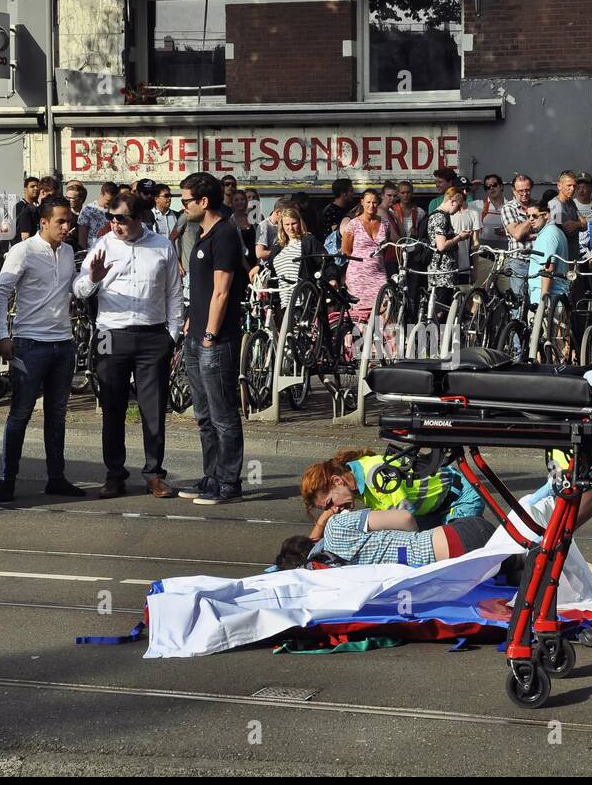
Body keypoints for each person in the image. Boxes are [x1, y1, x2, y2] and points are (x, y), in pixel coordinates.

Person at [74, 193, 184, 500]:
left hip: (152, 335)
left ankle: (154, 474)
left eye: (121, 218)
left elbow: (174, 293)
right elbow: (79, 288)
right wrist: (93, 279)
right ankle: (114, 475)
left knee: (153, 408)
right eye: (111, 218)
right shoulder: (103, 245)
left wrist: (172, 335)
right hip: (111, 333)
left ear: (138, 217)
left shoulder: (162, 245)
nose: (114, 224)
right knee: (113, 407)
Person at [0, 198, 86, 503]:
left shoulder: (69, 251)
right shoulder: (23, 251)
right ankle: (7, 479)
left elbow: (74, 290)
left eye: (69, 221)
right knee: (20, 412)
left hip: (63, 342)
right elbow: (0, 293)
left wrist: (94, 278)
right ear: (43, 221)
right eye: (60, 221)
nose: (67, 227)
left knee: (57, 414)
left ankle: (56, 477)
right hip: (30, 343)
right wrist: (3, 335)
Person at [179, 173, 246, 505]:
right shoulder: (202, 234)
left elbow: (221, 291)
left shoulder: (225, 235)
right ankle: (212, 475)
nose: (183, 207)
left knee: (223, 413)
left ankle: (229, 482)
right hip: (197, 336)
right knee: (203, 414)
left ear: (203, 201)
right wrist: (192, 326)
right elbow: (201, 291)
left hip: (216, 341)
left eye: (186, 201)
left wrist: (209, 335)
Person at [300, 447, 484, 529]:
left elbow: (404, 522)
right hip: (436, 507)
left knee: (454, 559)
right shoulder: (354, 477)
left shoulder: (375, 477)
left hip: (460, 499)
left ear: (337, 481)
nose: (335, 509)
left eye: (331, 503)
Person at [276, 509, 497, 570]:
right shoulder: (337, 527)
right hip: (460, 536)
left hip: (460, 567)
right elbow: (405, 517)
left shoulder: (330, 577)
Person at [342, 188, 392, 324]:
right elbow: (346, 250)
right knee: (359, 316)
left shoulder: (384, 223)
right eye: (368, 202)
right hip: (358, 275)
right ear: (362, 202)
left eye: (375, 202)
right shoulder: (353, 224)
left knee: (384, 312)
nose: (372, 205)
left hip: (379, 274)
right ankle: (358, 343)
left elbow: (385, 247)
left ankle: (379, 343)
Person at [425, 188, 473, 318]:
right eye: (459, 205)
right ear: (452, 201)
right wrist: (459, 237)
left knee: (441, 309)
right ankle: (437, 336)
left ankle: (438, 335)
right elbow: (441, 246)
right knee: (441, 310)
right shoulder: (440, 217)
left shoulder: (438, 216)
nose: (459, 209)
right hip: (442, 274)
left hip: (442, 273)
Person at [267, 204, 321, 308]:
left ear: (300, 223)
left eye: (294, 223)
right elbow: (269, 267)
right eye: (287, 224)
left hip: (303, 300)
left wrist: (332, 278)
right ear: (282, 226)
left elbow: (324, 261)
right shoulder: (278, 247)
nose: (290, 228)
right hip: (283, 301)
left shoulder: (308, 241)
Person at [526, 202, 568, 308]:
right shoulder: (553, 232)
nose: (531, 219)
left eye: (534, 216)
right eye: (528, 216)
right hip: (554, 297)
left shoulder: (548, 235)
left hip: (547, 298)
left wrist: (543, 301)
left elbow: (548, 268)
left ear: (545, 215)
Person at [501, 174, 536, 299]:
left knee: (536, 300)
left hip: (537, 261)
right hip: (518, 260)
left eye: (527, 190)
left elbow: (545, 231)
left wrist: (528, 234)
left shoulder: (538, 206)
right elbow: (517, 234)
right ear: (513, 191)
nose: (524, 194)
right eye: (520, 191)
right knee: (518, 301)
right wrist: (532, 217)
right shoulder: (508, 208)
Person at [547, 170, 584, 261]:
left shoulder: (571, 203)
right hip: (561, 257)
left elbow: (585, 224)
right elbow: (567, 229)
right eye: (569, 185)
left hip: (573, 255)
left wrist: (576, 224)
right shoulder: (554, 204)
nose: (572, 189)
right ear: (559, 186)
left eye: (574, 186)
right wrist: (579, 224)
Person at [77, 181, 118, 249]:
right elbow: (82, 236)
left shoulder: (116, 210)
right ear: (101, 194)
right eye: (108, 200)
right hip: (93, 250)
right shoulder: (88, 209)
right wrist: (83, 253)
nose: (111, 203)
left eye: (113, 200)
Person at [14, 176, 41, 241]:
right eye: (32, 186)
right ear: (25, 189)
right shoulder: (20, 206)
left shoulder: (38, 208)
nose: (36, 188)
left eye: (37, 186)